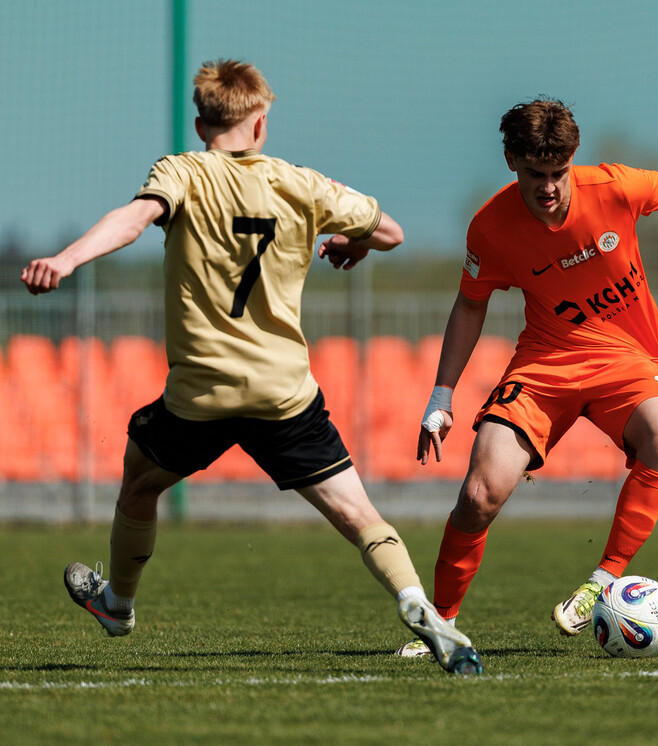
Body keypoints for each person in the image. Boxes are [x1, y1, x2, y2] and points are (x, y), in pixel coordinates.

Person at [21, 59, 480, 675]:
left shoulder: (181, 172)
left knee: (138, 485)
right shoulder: (300, 183)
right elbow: (392, 232)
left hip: (200, 393)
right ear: (259, 125)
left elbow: (134, 220)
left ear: (199, 122)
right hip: (284, 393)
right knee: (358, 515)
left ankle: (118, 605)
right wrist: (353, 242)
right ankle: (416, 601)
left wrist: (68, 258)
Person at [397, 97, 658, 657]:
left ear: (573, 161)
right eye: (535, 174)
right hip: (546, 361)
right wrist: (441, 395)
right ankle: (441, 623)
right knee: (480, 492)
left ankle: (604, 580)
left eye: (558, 173)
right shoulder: (490, 228)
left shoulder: (611, 186)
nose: (549, 188)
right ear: (512, 160)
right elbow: (470, 305)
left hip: (626, 355)